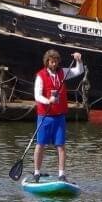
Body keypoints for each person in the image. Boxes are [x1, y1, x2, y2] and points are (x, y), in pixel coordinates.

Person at [32, 49, 84, 183]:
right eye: (51, 62)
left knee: (60, 146)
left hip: (59, 116)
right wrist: (47, 100)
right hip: (45, 116)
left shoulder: (63, 72)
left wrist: (79, 60)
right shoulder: (40, 75)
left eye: (55, 62)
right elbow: (37, 95)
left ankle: (61, 174)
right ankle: (37, 172)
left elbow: (79, 71)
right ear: (47, 62)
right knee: (40, 144)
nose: (54, 64)